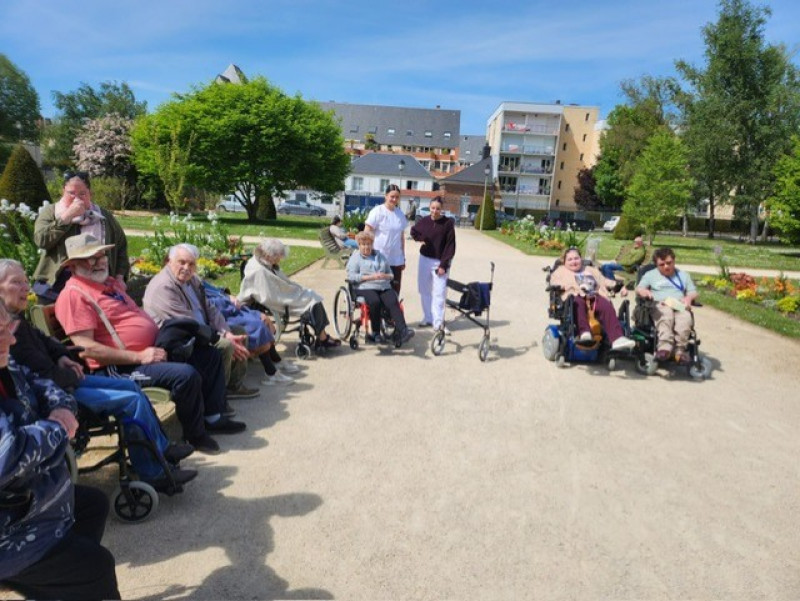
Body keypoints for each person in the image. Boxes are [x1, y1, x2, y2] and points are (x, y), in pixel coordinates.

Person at [0, 258, 196, 489]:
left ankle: (161, 449)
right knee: (131, 401)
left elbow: (48, 342)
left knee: (132, 388)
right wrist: (72, 372)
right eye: (17, 283)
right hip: (56, 397)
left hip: (66, 382)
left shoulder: (17, 321)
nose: (26, 288)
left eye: (26, 281)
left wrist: (63, 355)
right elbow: (42, 377)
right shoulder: (7, 334)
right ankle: (152, 473)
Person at [54, 233, 246, 455]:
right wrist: (139, 356)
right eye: (90, 258)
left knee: (209, 356)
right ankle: (196, 435)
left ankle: (213, 417)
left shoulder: (109, 286)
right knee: (185, 374)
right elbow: (86, 348)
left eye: (101, 255)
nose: (99, 262)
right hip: (120, 367)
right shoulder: (74, 295)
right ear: (73, 265)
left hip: (150, 352)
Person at [0, 300, 121, 601]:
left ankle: (55, 589)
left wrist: (60, 409)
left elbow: (44, 383)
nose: (11, 339)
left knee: (92, 505)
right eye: (0, 331)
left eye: (8, 327)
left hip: (29, 495)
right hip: (9, 519)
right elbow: (8, 455)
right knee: (96, 566)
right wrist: (56, 428)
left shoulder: (7, 362)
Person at [142, 243, 260, 400]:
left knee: (239, 333)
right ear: (169, 262)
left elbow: (210, 309)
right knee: (224, 345)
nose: (186, 267)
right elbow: (186, 323)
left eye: (191, 264)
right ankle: (216, 398)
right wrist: (221, 337)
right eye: (181, 262)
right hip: (179, 341)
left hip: (202, 330)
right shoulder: (163, 287)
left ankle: (233, 386)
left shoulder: (192, 280)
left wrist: (226, 331)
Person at [32, 170, 128, 299]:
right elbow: (41, 240)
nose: (76, 198)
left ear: (90, 194)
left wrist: (120, 277)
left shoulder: (104, 216)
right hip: (58, 286)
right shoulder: (51, 212)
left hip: (99, 283)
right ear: (63, 192)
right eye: (71, 193)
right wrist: (67, 217)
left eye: (82, 193)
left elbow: (121, 246)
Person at [238, 238, 341, 351]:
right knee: (313, 302)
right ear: (268, 255)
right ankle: (322, 338)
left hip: (279, 294)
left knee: (312, 296)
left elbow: (277, 284)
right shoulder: (259, 271)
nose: (279, 260)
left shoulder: (261, 261)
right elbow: (268, 295)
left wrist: (292, 290)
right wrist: (291, 293)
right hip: (277, 299)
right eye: (277, 257)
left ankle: (322, 336)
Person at [202, 281, 299, 386]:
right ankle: (271, 372)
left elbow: (218, 290)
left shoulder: (197, 280)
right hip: (222, 316)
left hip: (231, 308)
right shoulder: (189, 289)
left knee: (262, 319)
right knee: (256, 325)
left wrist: (229, 296)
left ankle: (275, 360)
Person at [549, 247, 635, 351]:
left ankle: (617, 338)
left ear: (581, 259)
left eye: (576, 258)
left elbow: (604, 281)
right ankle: (584, 333)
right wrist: (562, 286)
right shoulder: (560, 271)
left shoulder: (590, 270)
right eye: (570, 259)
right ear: (564, 261)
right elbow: (553, 283)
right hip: (574, 297)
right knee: (578, 302)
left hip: (594, 296)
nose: (574, 261)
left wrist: (620, 286)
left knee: (605, 305)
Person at [346, 231, 415, 345]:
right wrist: (371, 277)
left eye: (368, 244)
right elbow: (351, 276)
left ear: (372, 244)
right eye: (363, 244)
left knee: (393, 300)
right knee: (375, 301)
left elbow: (391, 274)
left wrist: (385, 276)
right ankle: (376, 333)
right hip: (364, 287)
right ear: (359, 245)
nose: (366, 247)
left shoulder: (380, 256)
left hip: (383, 285)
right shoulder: (356, 258)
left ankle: (403, 330)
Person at [636, 247, 699, 364]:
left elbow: (693, 291)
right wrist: (645, 292)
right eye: (662, 264)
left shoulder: (683, 275)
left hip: (679, 304)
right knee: (666, 314)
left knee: (685, 317)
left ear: (674, 261)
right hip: (660, 304)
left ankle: (679, 351)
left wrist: (689, 298)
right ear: (656, 265)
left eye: (669, 263)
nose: (666, 266)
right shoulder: (650, 275)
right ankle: (664, 348)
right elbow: (639, 288)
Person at [410, 196, 456, 332]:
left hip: (439, 262)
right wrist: (420, 239)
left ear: (441, 210)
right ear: (429, 208)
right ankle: (428, 317)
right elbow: (413, 231)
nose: (435, 211)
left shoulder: (448, 224)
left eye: (438, 209)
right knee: (424, 290)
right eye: (433, 208)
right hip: (424, 259)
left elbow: (450, 247)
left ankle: (438, 322)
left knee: (440, 292)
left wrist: (444, 265)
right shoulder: (424, 221)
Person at [365, 184, 407, 294]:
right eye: (392, 196)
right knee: (379, 289)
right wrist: (367, 252)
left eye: (397, 197)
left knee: (395, 290)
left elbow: (401, 238)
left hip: (396, 259)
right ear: (386, 196)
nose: (394, 199)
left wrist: (403, 257)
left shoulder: (400, 214)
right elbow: (367, 231)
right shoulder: (377, 211)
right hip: (379, 258)